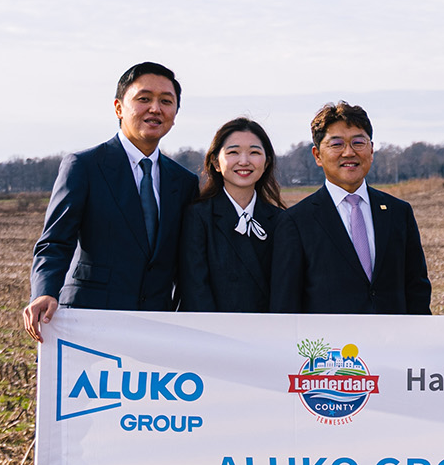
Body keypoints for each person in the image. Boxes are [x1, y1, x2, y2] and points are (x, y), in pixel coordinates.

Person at [21, 62, 197, 341]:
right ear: (118, 108)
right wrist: (44, 291)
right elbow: (55, 242)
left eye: (166, 101)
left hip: (157, 327)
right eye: (144, 99)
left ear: (175, 114)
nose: (155, 108)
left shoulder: (184, 182)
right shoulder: (85, 166)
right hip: (88, 321)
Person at [269, 102, 432, 314]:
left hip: (393, 343)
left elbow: (416, 288)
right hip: (330, 344)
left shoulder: (398, 212)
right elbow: (286, 303)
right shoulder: (296, 221)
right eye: (336, 144)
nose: (349, 152)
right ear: (317, 155)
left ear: (371, 150)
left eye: (358, 142)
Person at [177, 117, 287, 312]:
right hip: (214, 335)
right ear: (216, 162)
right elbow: (194, 290)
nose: (244, 161)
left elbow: (285, 292)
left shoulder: (281, 220)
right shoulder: (198, 216)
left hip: (268, 335)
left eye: (254, 152)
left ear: (267, 162)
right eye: (233, 152)